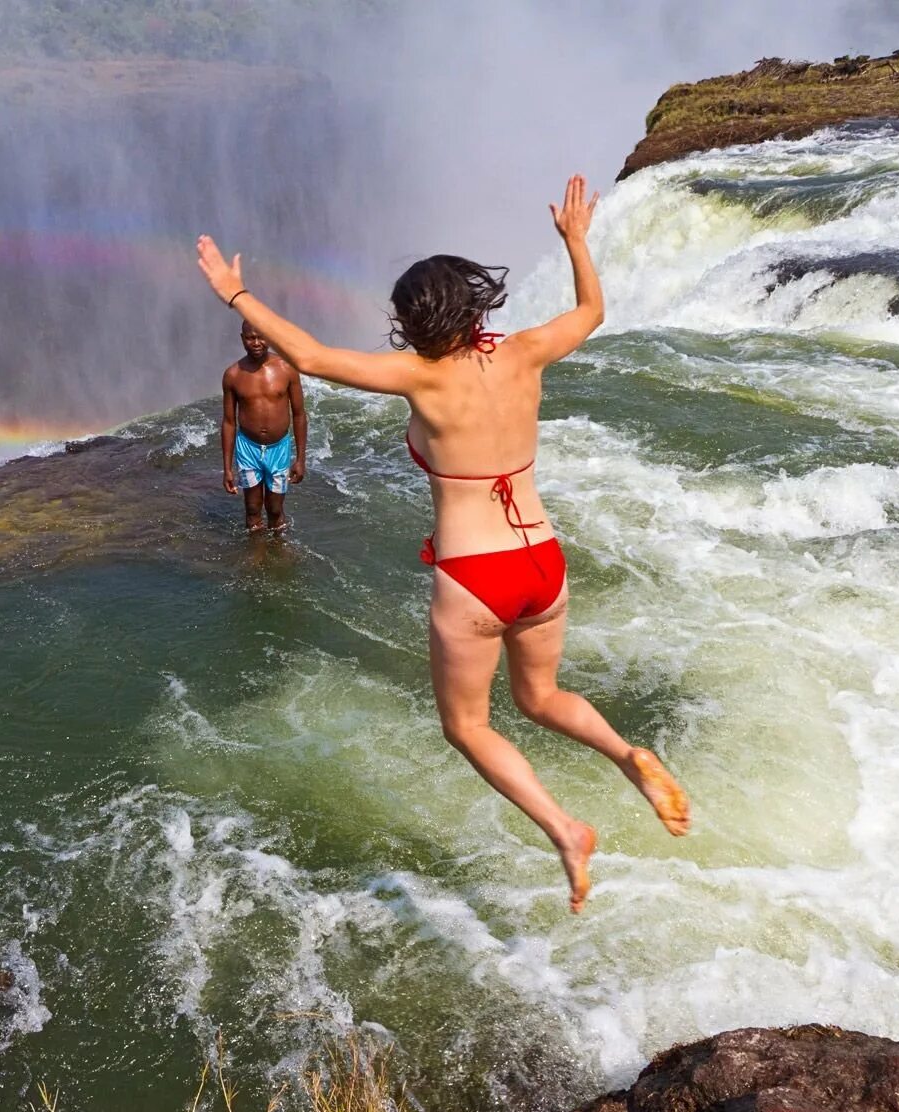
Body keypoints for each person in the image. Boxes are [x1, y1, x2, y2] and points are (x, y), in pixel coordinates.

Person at [194, 174, 689, 914]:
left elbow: (313, 355)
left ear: (414, 323)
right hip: (543, 561)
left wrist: (236, 293)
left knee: (467, 724)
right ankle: (628, 754)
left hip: (475, 573)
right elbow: (593, 309)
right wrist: (578, 242)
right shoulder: (524, 352)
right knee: (541, 696)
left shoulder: (419, 377)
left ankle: (564, 829)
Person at [222, 319, 307, 532]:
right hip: (247, 448)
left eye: (261, 337)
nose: (257, 342)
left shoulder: (287, 368)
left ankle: (278, 550)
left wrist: (300, 459)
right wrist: (227, 468)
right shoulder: (233, 375)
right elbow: (229, 422)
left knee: (275, 509)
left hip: (278, 448)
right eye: (251, 338)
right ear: (242, 339)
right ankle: (257, 554)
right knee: (252, 509)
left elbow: (299, 415)